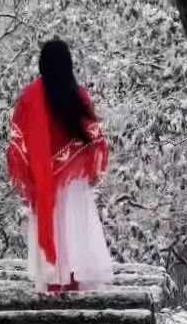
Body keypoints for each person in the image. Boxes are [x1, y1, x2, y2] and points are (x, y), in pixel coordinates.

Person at [7, 38, 114, 294]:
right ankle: (74, 277)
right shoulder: (77, 93)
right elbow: (94, 137)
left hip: (45, 178)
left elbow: (17, 142)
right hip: (74, 176)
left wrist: (33, 171)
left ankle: (55, 278)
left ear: (42, 63)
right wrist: (86, 168)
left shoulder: (30, 96)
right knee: (75, 225)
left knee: (54, 222)